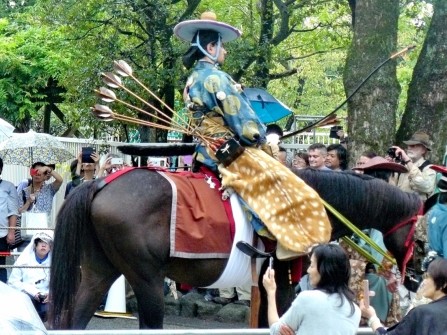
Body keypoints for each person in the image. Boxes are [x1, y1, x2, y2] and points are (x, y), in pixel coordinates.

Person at [174, 12, 331, 258]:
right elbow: (245, 124)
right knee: (277, 181)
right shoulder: (216, 77)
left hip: (204, 150)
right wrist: (261, 138)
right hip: (226, 151)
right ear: (211, 47)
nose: (225, 51)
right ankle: (280, 237)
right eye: (222, 46)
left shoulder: (193, 77)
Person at [263, 243, 361, 335]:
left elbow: (276, 330)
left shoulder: (308, 298)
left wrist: (271, 292)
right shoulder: (355, 311)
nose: (308, 270)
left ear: (324, 270)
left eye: (312, 265)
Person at [361, 258, 447, 335]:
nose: (423, 282)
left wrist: (372, 317)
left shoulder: (422, 313)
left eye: (427, 277)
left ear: (444, 284)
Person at [8, 232, 53, 321]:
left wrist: (52, 293)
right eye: (40, 242)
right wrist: (33, 292)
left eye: (47, 242)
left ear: (51, 246)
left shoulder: (56, 263)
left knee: (47, 311)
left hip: (48, 297)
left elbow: (60, 284)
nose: (43, 245)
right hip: (27, 295)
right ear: (35, 244)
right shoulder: (23, 260)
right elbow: (12, 282)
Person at [390, 131, 436, 200]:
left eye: (413, 145)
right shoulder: (402, 165)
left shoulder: (429, 168)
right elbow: (391, 187)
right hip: (398, 206)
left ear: (423, 150)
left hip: (416, 209)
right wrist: (389, 167)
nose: (409, 148)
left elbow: (426, 186)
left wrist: (407, 160)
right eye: (408, 145)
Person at [0, 157, 19, 283]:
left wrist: (11, 232)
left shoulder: (9, 186)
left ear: (0, 169)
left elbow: (13, 211)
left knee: (1, 264)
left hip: (2, 234)